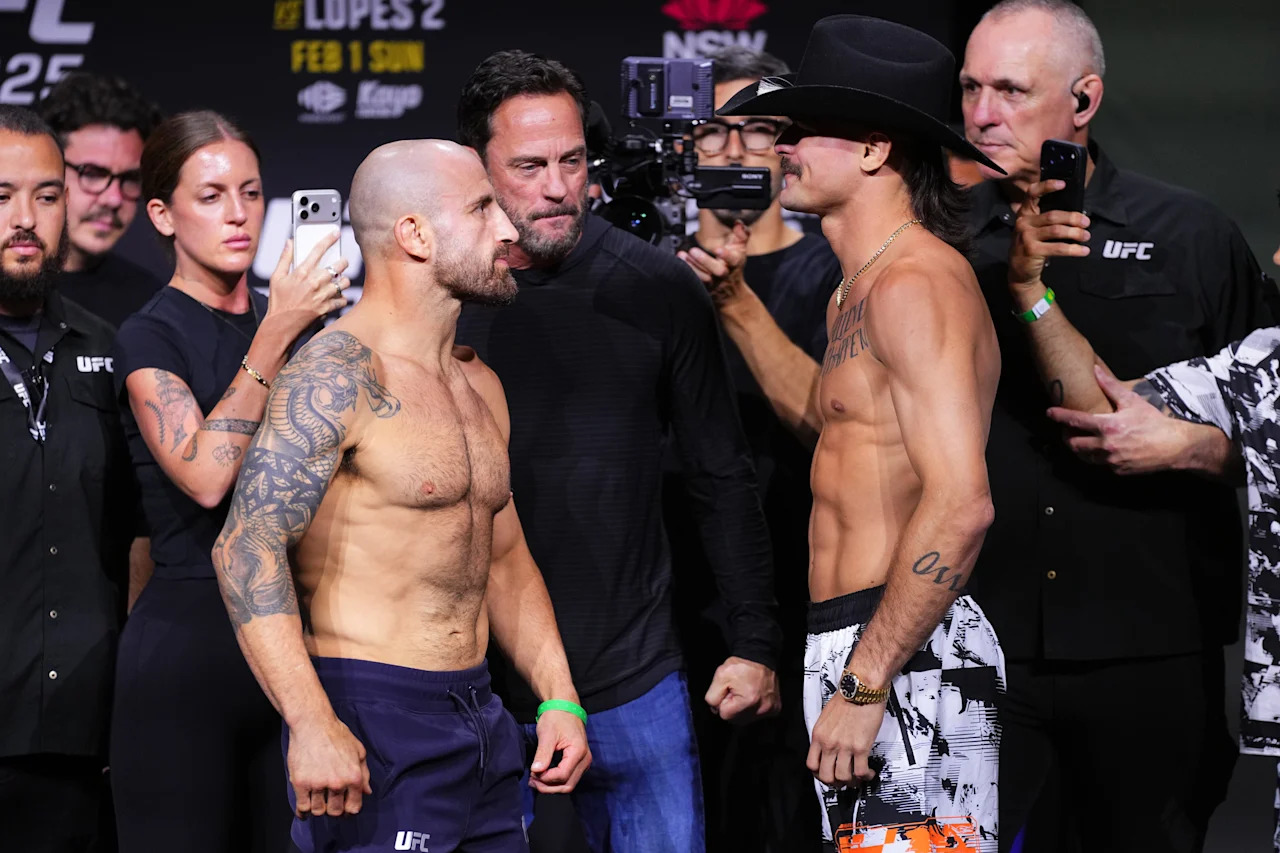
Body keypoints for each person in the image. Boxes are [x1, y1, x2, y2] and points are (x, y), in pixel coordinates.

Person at [955, 1, 1277, 848]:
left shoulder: (1192, 236)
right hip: (976, 643)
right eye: (971, 88)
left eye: (1012, 90)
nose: (984, 112)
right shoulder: (941, 246)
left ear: (1085, 101)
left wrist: (1208, 446)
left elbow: (1274, 414)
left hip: (1150, 645)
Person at [210, 138, 590, 853]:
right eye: (482, 209)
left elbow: (505, 558)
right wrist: (314, 722)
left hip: (482, 716)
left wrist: (558, 694)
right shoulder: (338, 371)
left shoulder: (479, 383)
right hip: (374, 717)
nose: (509, 230)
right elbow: (243, 547)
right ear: (414, 234)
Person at [688, 14, 1009, 849]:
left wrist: (866, 682)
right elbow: (832, 430)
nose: (779, 149)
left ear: (873, 150)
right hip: (857, 640)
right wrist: (735, 305)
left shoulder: (916, 284)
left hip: (905, 648)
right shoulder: (854, 289)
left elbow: (963, 503)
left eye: (800, 131)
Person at [455, 49, 782, 853]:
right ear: (478, 167)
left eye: (572, 160)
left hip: (636, 679)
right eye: (530, 165)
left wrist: (754, 641)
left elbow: (720, 474)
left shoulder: (657, 286)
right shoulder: (445, 298)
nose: (558, 185)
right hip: (479, 688)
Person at [1001, 179, 1280, 851]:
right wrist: (1032, 296)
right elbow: (1104, 410)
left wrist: (1206, 447)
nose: (1276, 256)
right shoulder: (1267, 362)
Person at [108, 110, 348, 853]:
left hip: (291, 649)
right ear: (163, 214)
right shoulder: (148, 335)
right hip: (187, 654)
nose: (240, 214)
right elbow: (207, 476)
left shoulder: (300, 326)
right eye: (211, 196)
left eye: (249, 191)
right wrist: (277, 337)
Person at [673, 43, 837, 853]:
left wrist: (736, 301)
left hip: (813, 604)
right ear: (683, 146)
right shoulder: (646, 280)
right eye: (714, 131)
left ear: (790, 144)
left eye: (759, 128)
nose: (735, 150)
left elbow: (830, 425)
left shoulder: (838, 272)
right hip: (674, 610)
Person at [0, 104, 135, 853]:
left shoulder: (110, 347)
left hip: (80, 736)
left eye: (47, 196)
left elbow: (137, 536)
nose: (27, 218)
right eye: (1, 197)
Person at [37, 72, 165, 329]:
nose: (113, 199)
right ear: (47, 167)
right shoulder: (10, 290)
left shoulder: (153, 306)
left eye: (129, 178)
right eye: (93, 174)